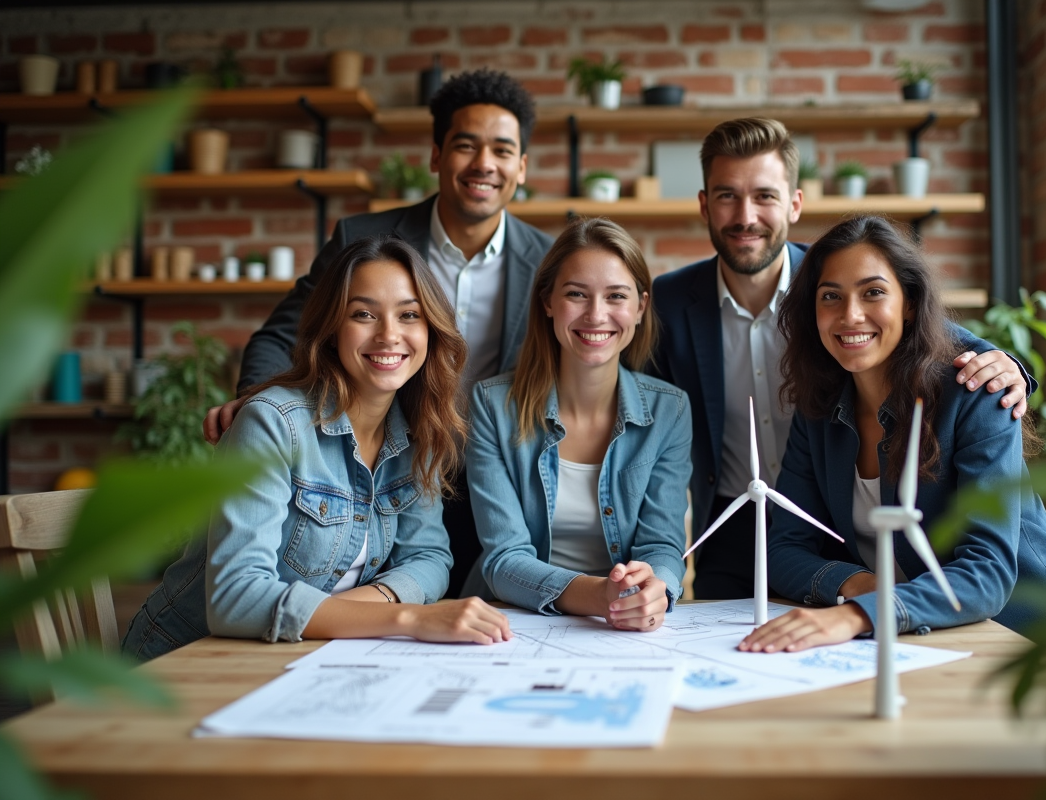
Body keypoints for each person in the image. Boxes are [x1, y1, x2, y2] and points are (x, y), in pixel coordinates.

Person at [203, 69, 555, 598]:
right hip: (383, 465)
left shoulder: (548, 261)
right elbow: (282, 333)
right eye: (466, 145)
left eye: (502, 150)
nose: (484, 163)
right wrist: (257, 405)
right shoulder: (363, 238)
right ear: (437, 156)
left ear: (521, 166)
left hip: (493, 484)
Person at [650, 117, 1033, 600]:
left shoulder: (833, 277)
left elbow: (923, 331)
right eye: (727, 195)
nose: (745, 215)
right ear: (705, 204)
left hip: (838, 524)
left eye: (765, 195)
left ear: (794, 203)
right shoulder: (668, 301)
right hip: (731, 522)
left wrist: (1011, 368)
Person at [122, 236, 512, 661]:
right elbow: (236, 599)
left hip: (305, 654)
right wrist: (409, 618)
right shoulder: (272, 424)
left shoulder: (420, 433)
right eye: (363, 314)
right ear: (331, 330)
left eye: (409, 315)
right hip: (187, 662)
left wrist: (354, 609)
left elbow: (430, 558)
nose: (389, 335)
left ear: (430, 330)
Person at [738, 216, 1046, 654]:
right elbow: (784, 550)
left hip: (1040, 642)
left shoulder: (978, 393)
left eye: (873, 292)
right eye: (830, 296)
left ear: (909, 302)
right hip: (919, 637)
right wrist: (863, 587)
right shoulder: (817, 409)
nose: (850, 314)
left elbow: (987, 573)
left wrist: (860, 613)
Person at [465, 218, 690, 630]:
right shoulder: (492, 405)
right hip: (513, 621)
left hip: (625, 625)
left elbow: (661, 543)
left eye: (616, 296)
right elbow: (504, 558)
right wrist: (600, 595)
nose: (596, 315)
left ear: (640, 307)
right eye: (576, 294)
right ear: (548, 301)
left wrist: (656, 586)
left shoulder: (670, 410)